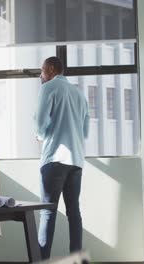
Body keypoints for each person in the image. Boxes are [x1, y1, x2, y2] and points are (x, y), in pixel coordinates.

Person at [35, 56, 89, 259]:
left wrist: (41, 135)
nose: (40, 75)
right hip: (76, 160)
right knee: (74, 213)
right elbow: (85, 131)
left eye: (41, 71)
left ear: (50, 69)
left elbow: (40, 124)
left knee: (48, 212)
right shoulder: (79, 94)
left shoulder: (48, 88)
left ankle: (44, 260)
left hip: (54, 158)